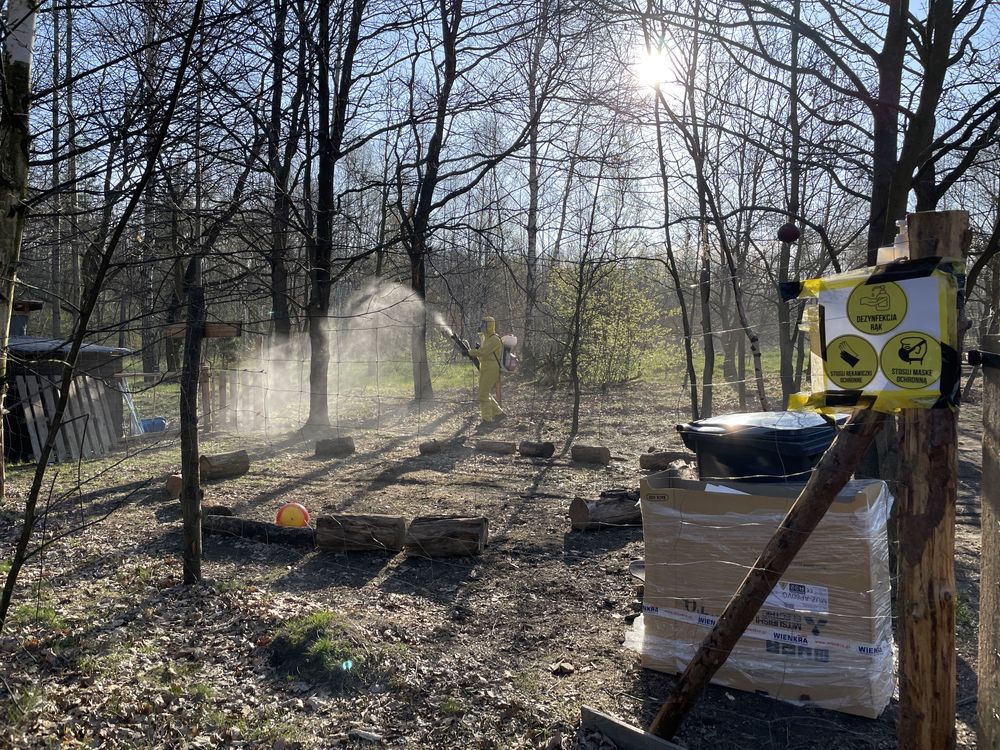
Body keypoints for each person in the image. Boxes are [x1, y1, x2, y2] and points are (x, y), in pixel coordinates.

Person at [465, 316, 506, 426]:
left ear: (489, 326)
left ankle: (487, 420)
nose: (482, 327)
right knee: (485, 392)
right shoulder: (486, 338)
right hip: (486, 367)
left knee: (483, 394)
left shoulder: (494, 339)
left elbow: (484, 351)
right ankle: (498, 413)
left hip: (492, 368)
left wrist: (470, 352)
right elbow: (483, 352)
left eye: (484, 324)